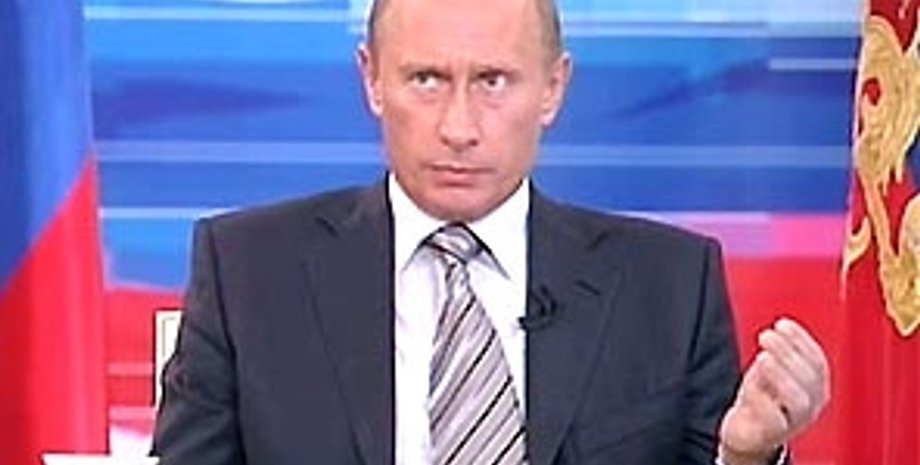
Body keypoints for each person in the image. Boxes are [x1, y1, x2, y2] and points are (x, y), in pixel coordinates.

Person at [152, 0, 830, 463]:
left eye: (493, 81)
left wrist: (745, 456)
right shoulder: (248, 273)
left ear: (554, 88)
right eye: (426, 79)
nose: (459, 127)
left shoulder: (669, 285)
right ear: (372, 80)